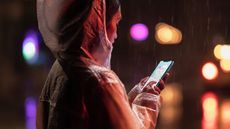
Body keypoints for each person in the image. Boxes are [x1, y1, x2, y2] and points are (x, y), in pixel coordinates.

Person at [36, 0, 169, 129]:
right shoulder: (102, 81)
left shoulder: (59, 68)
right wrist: (147, 101)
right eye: (116, 22)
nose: (116, 34)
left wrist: (134, 96)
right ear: (98, 23)